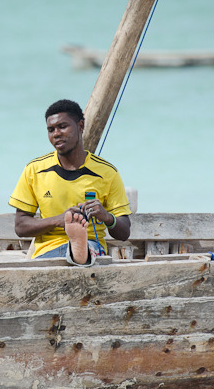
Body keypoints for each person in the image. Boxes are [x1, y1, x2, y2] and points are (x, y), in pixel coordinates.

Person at [9, 98, 132, 265]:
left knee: (86, 251)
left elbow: (124, 232)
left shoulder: (106, 173)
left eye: (62, 126)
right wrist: (58, 220)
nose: (56, 134)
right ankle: (77, 248)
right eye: (51, 129)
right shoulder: (35, 170)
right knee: (64, 256)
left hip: (93, 247)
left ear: (80, 126)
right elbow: (21, 227)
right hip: (48, 250)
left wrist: (106, 216)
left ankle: (78, 247)